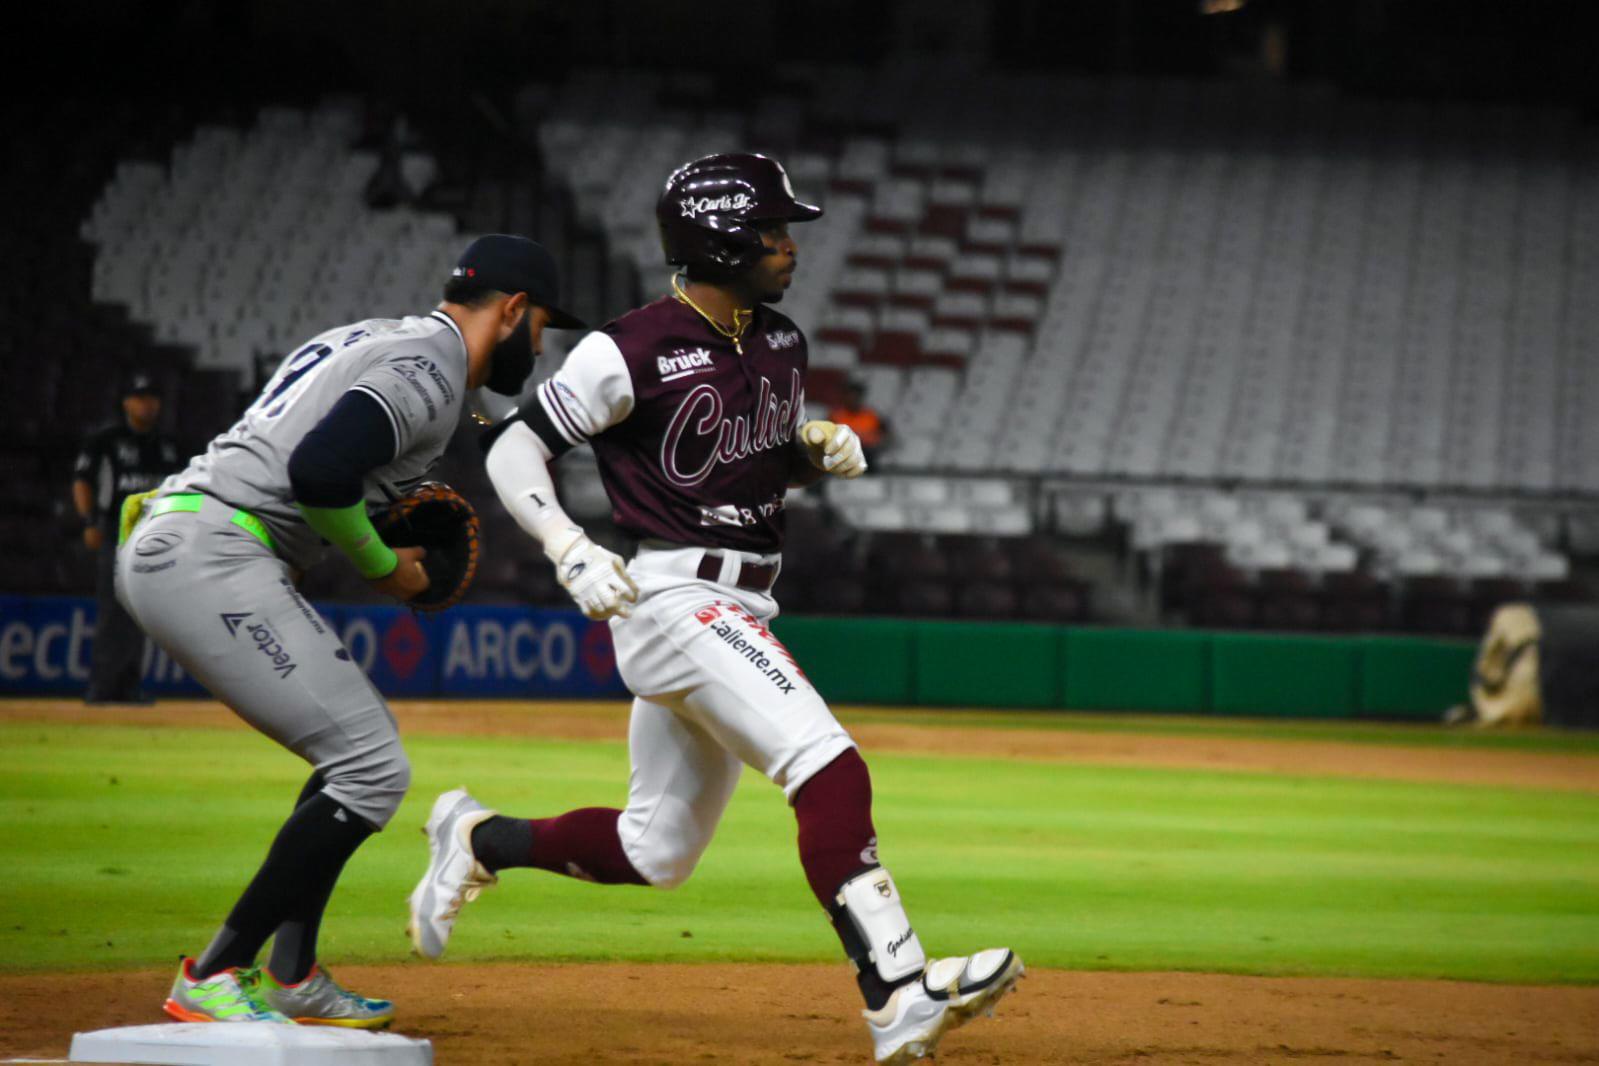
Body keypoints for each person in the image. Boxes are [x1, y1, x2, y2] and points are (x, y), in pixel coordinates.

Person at [407, 154, 1022, 1066]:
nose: (787, 245)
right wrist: (570, 548)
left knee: (656, 849)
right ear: (717, 238)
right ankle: (895, 991)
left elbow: (741, 474)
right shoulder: (629, 346)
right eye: (772, 229)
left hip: (741, 600)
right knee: (830, 766)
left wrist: (806, 458)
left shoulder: (780, 343)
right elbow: (513, 453)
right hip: (672, 598)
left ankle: (475, 835)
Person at [116, 235, 584, 1028]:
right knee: (372, 766)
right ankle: (216, 970)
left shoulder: (372, 337)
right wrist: (381, 563)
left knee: (351, 752)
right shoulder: (429, 372)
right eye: (541, 326)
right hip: (209, 552)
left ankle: (293, 973)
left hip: (195, 534)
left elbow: (291, 457)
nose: (541, 344)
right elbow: (319, 472)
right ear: (510, 313)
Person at [72, 372, 183, 704]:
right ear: (126, 402)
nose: (147, 405)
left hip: (153, 536)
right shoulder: (105, 440)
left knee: (141, 612)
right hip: (115, 533)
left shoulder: (167, 445)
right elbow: (82, 481)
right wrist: (90, 520)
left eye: (152, 398)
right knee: (112, 610)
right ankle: (102, 685)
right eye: (140, 398)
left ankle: (129, 684)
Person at [828, 377, 889, 467]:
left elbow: (885, 435)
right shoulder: (836, 416)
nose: (853, 400)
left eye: (856, 396)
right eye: (850, 396)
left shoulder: (871, 416)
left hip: (867, 455)